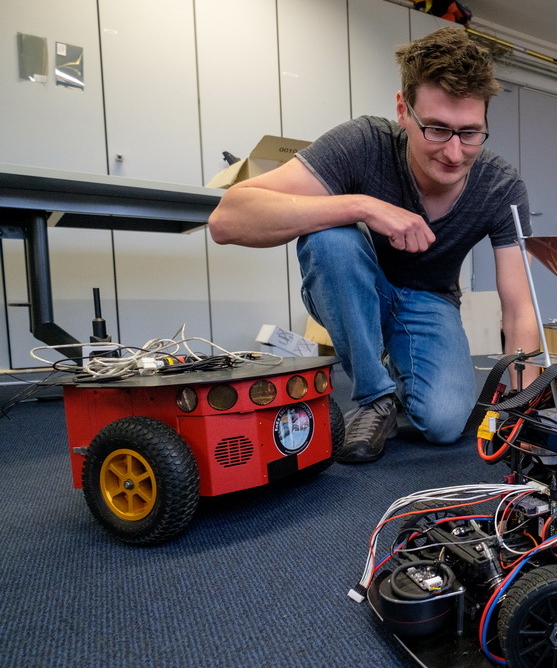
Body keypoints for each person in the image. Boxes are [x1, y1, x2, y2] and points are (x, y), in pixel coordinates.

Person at [209, 27, 539, 464]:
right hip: (355, 281)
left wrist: (525, 408)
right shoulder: (363, 143)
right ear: (403, 110)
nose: (455, 153)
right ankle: (373, 396)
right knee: (331, 237)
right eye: (437, 130)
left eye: (471, 133)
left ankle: (405, 381)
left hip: (431, 298)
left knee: (444, 425)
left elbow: (520, 307)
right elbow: (227, 218)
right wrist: (362, 206)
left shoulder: (501, 185)